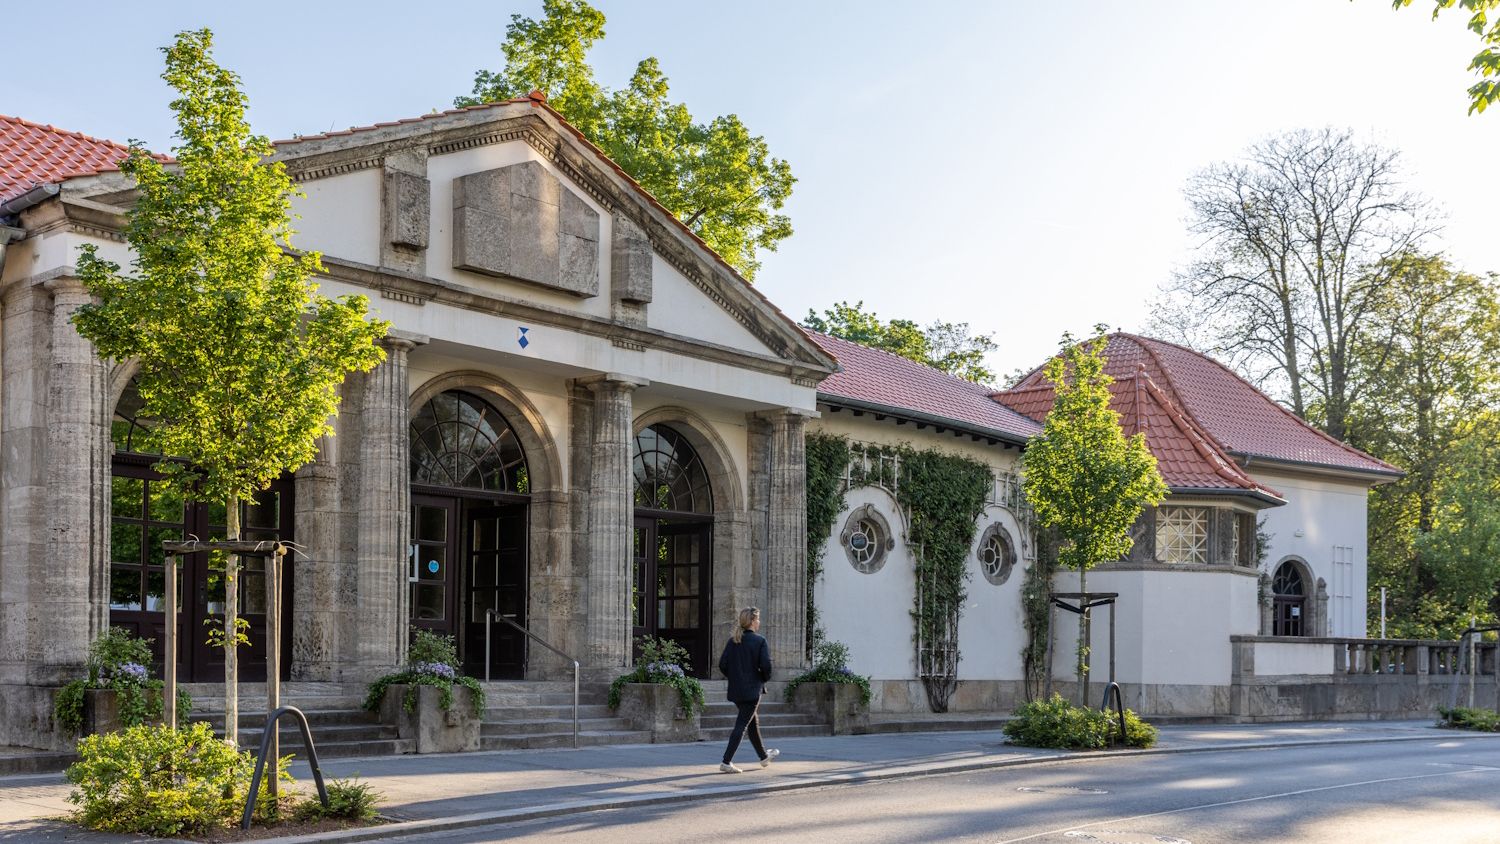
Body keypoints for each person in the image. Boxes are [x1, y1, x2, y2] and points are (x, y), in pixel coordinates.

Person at [716, 606, 780, 773]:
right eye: (757, 619)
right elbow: (766, 667)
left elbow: (723, 665)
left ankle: (763, 757)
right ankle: (726, 761)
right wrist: (761, 679)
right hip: (752, 691)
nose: (759, 622)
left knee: (752, 722)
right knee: (742, 725)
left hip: (737, 691)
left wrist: (736, 677)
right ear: (752, 621)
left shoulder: (733, 641)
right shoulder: (760, 641)